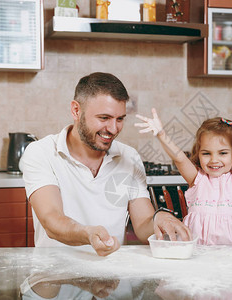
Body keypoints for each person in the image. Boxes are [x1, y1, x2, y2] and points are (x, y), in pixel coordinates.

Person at [19, 72, 191, 256]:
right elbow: (51, 220)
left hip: (112, 276)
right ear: (76, 110)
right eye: (104, 118)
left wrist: (160, 218)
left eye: (120, 119)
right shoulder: (41, 152)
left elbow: (143, 225)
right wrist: (87, 234)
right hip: (54, 275)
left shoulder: (129, 156)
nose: (113, 129)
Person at [135, 103, 232, 245]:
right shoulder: (197, 180)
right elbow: (180, 158)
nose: (214, 160)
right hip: (200, 257)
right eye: (206, 153)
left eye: (223, 153)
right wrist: (161, 134)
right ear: (198, 154)